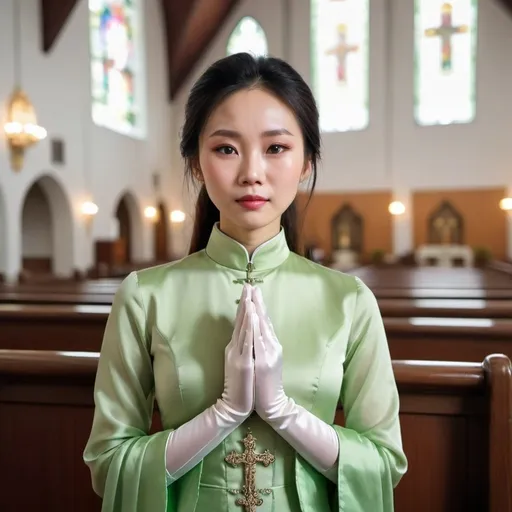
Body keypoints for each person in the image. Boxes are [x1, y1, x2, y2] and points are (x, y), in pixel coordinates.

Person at [83, 52, 407, 512]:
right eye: (226, 148)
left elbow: (383, 461)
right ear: (196, 162)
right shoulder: (144, 296)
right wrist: (222, 415)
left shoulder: (350, 301)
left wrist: (282, 410)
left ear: (307, 161)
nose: (251, 172)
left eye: (276, 148)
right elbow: (109, 461)